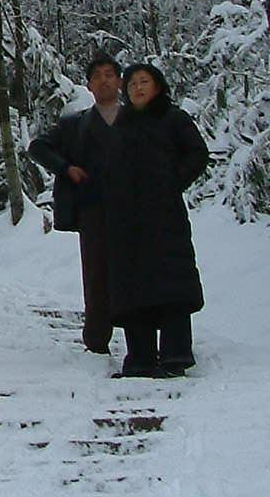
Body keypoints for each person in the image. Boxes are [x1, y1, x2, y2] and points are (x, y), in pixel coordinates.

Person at [104, 60, 210, 376]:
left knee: (171, 282)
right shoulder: (121, 124)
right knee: (133, 288)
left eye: (144, 81)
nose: (137, 87)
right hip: (127, 222)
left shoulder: (173, 118)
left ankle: (176, 354)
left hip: (164, 217)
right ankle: (141, 358)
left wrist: (172, 181)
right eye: (132, 83)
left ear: (158, 86)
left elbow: (197, 154)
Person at [29, 52, 124, 354]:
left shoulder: (136, 120)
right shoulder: (76, 125)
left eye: (110, 74)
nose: (104, 80)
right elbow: (38, 147)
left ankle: (142, 339)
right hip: (93, 210)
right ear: (89, 85)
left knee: (135, 271)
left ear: (120, 81)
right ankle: (97, 341)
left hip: (133, 209)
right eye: (97, 76)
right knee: (96, 275)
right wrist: (66, 168)